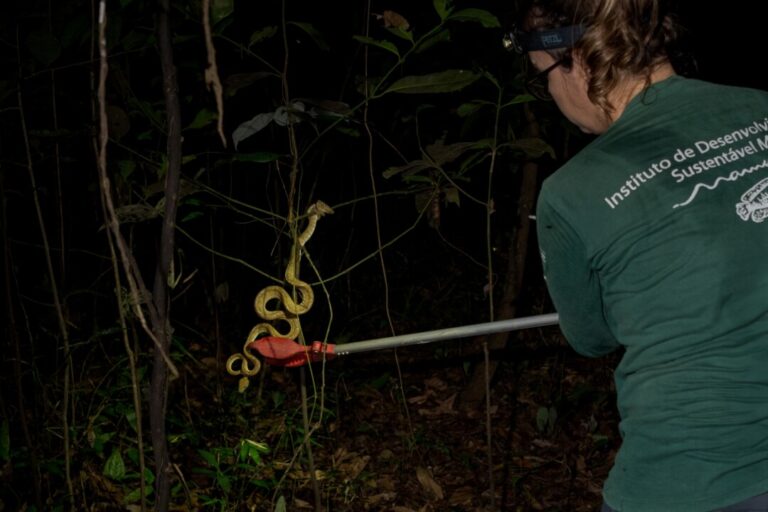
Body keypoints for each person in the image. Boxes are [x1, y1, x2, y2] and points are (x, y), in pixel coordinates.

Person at [506, 0, 768, 510]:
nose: (551, 95)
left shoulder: (571, 192)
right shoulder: (760, 105)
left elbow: (591, 338)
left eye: (544, 78)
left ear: (579, 60)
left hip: (695, 477)